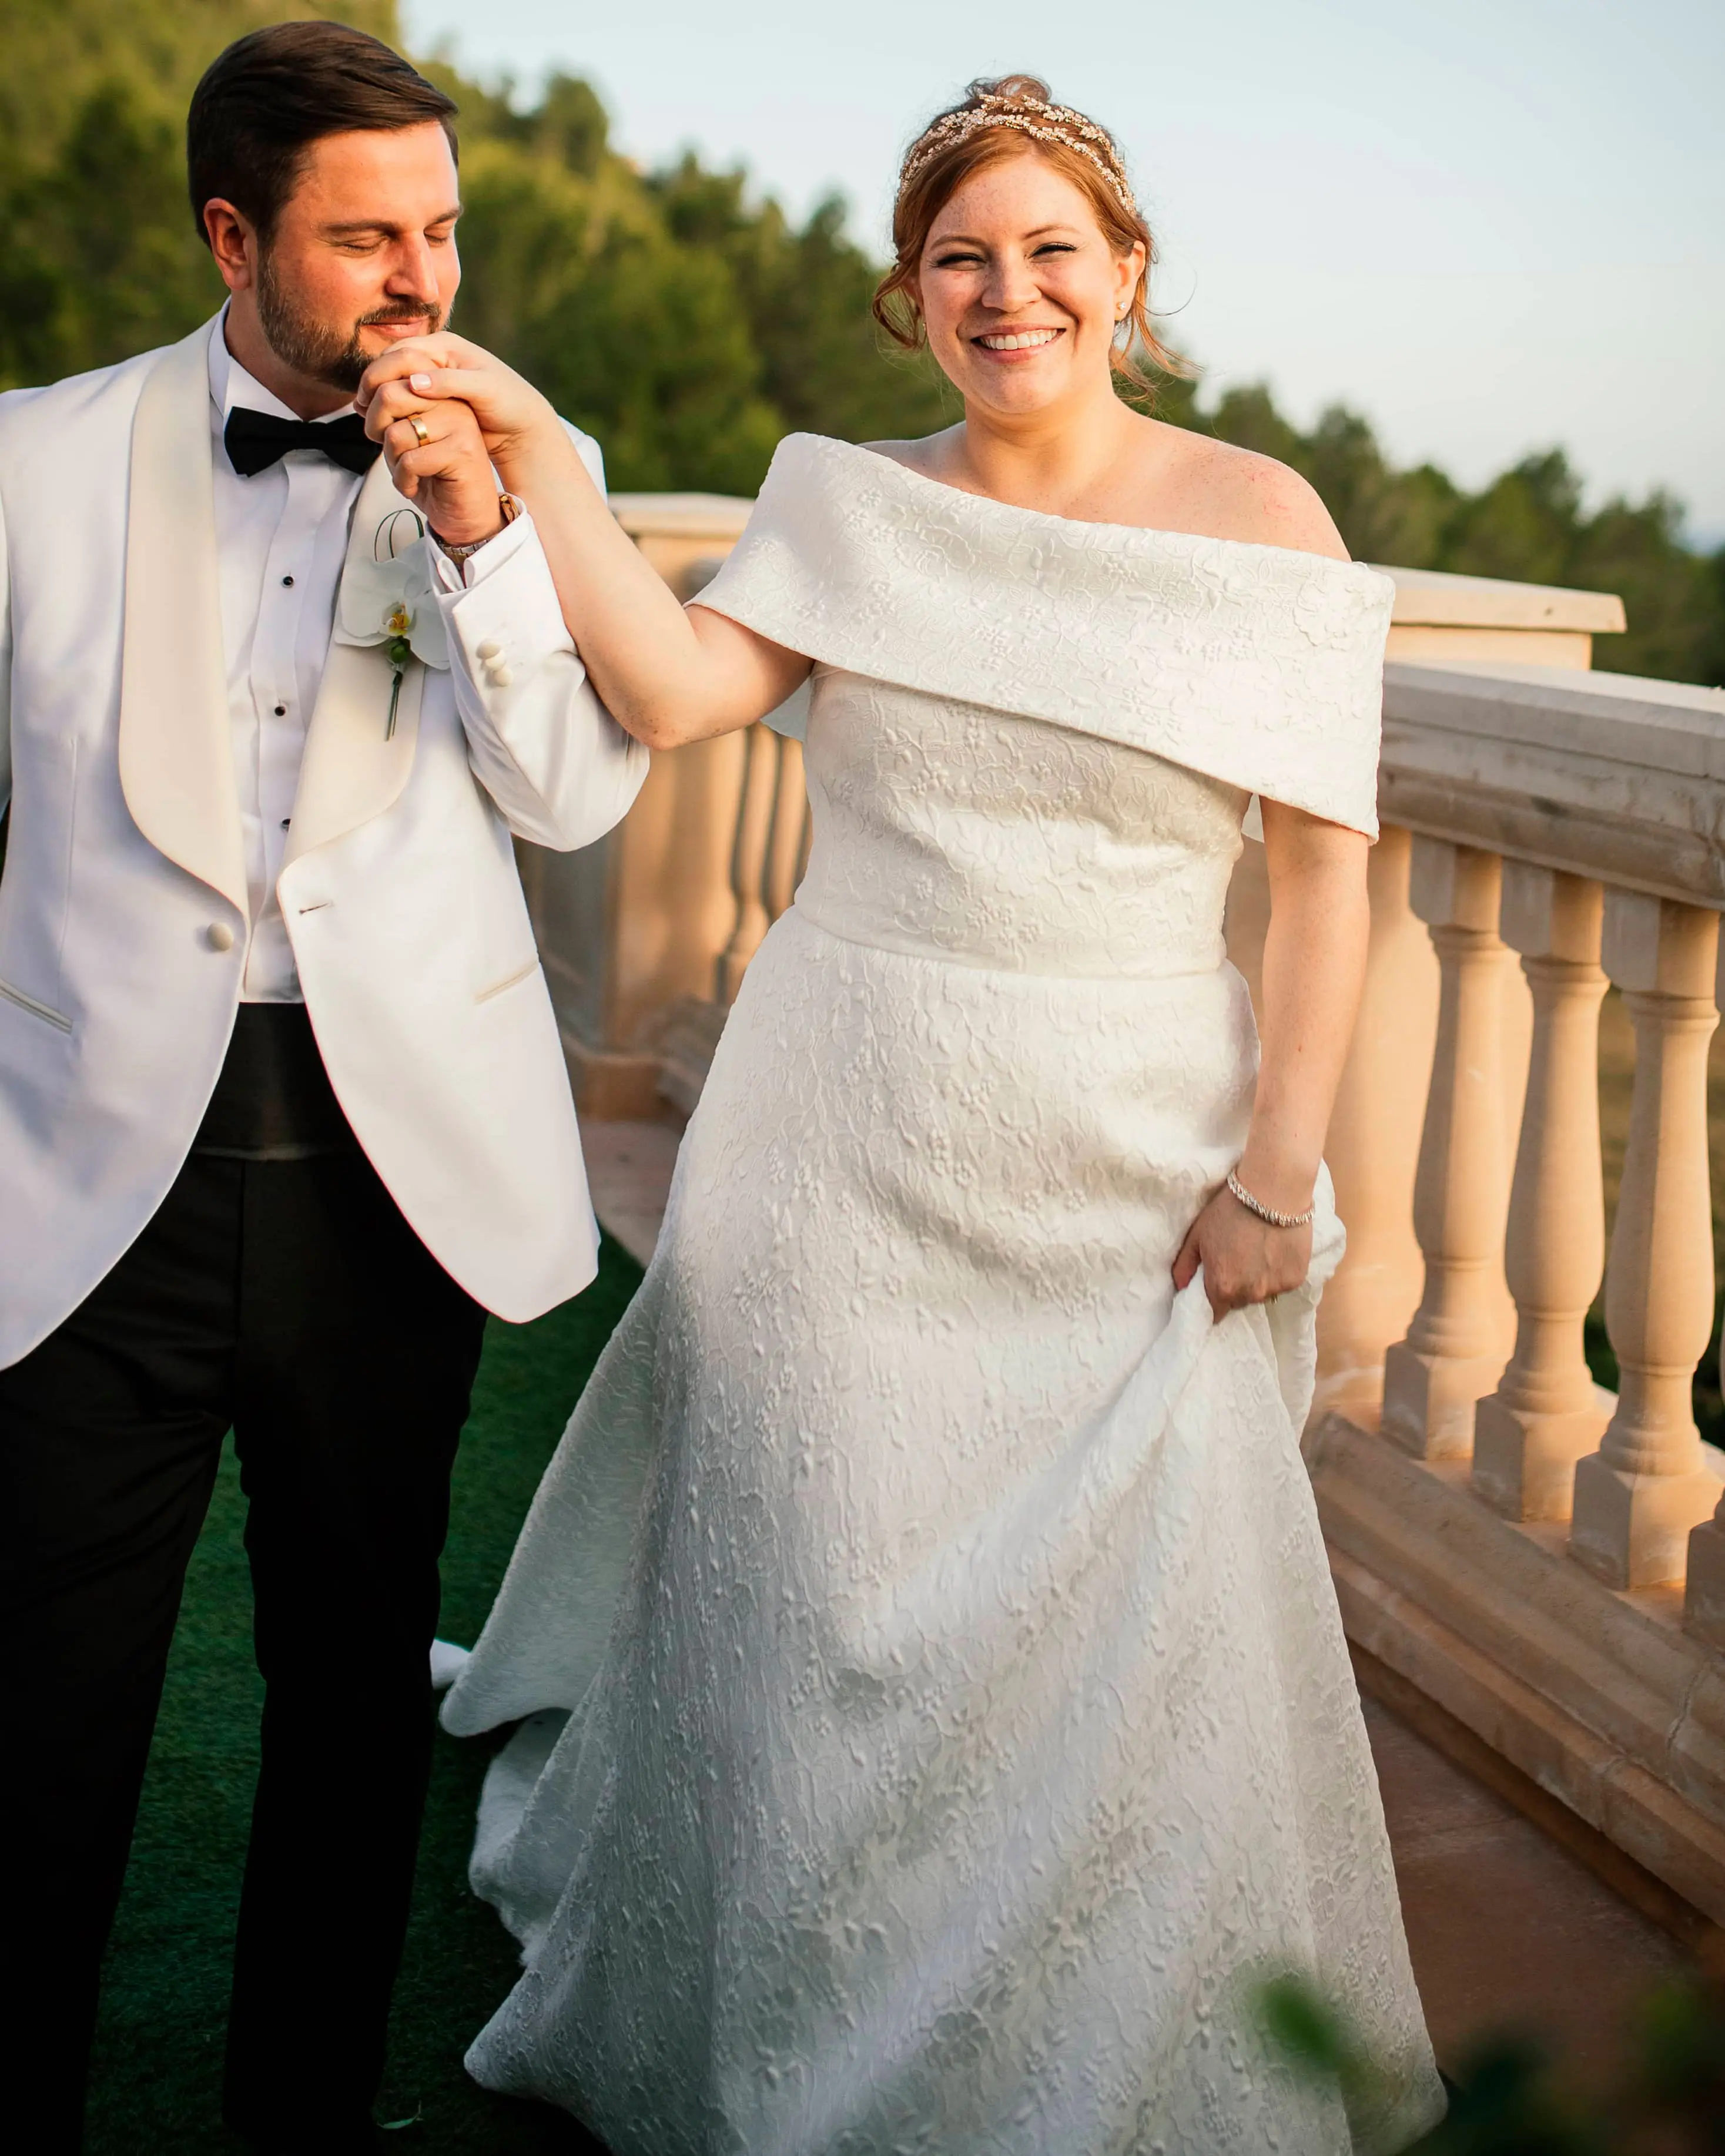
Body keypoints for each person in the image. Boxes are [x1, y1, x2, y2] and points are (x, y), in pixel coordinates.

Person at [361, 73, 1446, 2154]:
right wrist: (536, 463)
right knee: (811, 1593)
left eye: (1051, 250)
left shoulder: (1264, 524)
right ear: (909, 296)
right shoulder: (845, 504)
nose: (1006, 290)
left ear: (1127, 279)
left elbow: (1326, 883)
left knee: (1101, 1654)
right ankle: (755, 2022)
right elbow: (674, 697)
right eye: (962, 256)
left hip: (1132, 1161)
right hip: (835, 1140)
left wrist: (1273, 1184)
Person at [0, 22, 647, 2153]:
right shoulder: (32, 464)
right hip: (88, 1172)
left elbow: (567, 794)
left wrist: (480, 538)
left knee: (353, 1696)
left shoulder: (517, 469)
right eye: (366, 234)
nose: (419, 279)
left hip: (391, 1182)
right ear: (231, 234)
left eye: (439, 231)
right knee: (47, 1712)